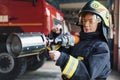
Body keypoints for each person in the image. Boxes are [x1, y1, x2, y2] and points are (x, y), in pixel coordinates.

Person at [49, 1, 111, 80]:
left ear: (99, 24)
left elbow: (87, 74)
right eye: (84, 21)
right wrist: (56, 36)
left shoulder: (101, 48)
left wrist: (63, 59)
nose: (86, 24)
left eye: (91, 21)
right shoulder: (79, 41)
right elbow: (61, 51)